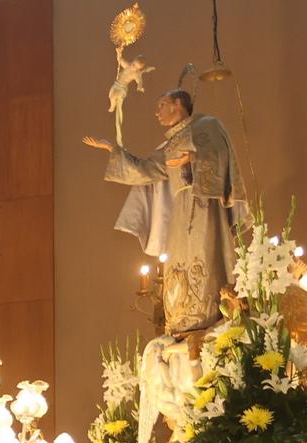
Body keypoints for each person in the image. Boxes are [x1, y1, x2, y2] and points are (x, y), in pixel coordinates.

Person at [85, 87, 242, 337]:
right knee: (179, 262)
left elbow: (220, 154)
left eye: (161, 104)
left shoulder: (207, 125)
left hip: (204, 205)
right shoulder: (171, 144)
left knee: (206, 253)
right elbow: (146, 169)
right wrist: (113, 150)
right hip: (181, 212)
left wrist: (192, 157)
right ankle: (183, 318)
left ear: (178, 104)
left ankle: (210, 314)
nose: (156, 112)